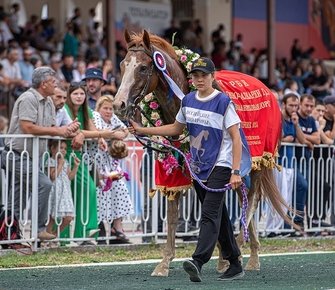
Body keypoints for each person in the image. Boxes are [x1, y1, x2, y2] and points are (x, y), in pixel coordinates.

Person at [129, 57, 251, 282]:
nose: (199, 79)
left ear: (213, 77)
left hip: (221, 164)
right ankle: (234, 261)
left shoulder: (224, 102)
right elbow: (176, 128)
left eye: (204, 75)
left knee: (209, 213)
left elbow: (236, 138)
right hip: (199, 165)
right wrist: (143, 130)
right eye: (195, 76)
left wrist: (235, 171)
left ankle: (198, 260)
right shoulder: (188, 101)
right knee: (219, 214)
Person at [0, 67, 80, 241]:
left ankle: (9, 236)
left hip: (30, 156)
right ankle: (39, 229)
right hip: (17, 154)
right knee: (44, 184)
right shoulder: (28, 98)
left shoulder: (49, 102)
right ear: (43, 84)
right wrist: (60, 131)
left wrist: (69, 131)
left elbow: (51, 128)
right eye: (53, 82)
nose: (56, 84)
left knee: (17, 199)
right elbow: (27, 127)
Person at [63, 82, 122, 240]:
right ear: (69, 95)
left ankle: (85, 232)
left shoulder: (86, 110)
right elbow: (72, 130)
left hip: (78, 155)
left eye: (82, 94)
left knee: (88, 190)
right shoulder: (65, 109)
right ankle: (60, 238)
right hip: (63, 153)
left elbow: (91, 130)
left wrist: (100, 136)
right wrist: (100, 134)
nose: (79, 96)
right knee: (62, 196)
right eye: (75, 93)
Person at [91, 95, 133, 243]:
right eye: (105, 108)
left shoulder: (113, 118)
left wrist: (112, 134)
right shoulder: (95, 116)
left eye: (110, 108)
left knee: (120, 189)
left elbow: (125, 131)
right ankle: (100, 227)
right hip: (97, 161)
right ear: (99, 108)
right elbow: (99, 132)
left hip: (110, 163)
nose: (108, 111)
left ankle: (117, 228)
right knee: (100, 193)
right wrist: (109, 134)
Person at [46, 140, 80, 235]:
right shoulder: (50, 161)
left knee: (68, 217)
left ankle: (54, 235)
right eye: (61, 148)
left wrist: (76, 167)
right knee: (52, 217)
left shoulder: (66, 162)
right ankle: (47, 237)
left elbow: (70, 177)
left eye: (65, 148)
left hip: (65, 192)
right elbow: (53, 176)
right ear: (53, 149)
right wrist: (60, 164)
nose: (64, 151)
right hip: (55, 191)